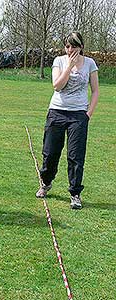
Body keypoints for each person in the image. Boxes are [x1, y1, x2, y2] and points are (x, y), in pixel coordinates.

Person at [36, 32, 99, 209]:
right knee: (50, 153)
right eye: (67, 46)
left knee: (76, 155)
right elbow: (57, 85)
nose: (70, 49)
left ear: (81, 47)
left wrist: (88, 114)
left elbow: (95, 91)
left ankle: (75, 193)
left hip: (78, 115)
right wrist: (69, 66)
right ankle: (46, 182)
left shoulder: (89, 63)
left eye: (74, 46)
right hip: (57, 111)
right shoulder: (59, 61)